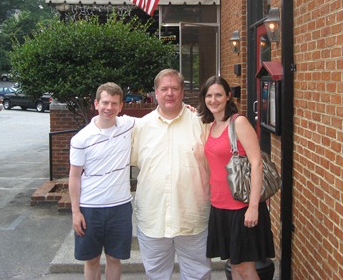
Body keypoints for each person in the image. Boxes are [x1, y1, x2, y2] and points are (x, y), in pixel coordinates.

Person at [131, 69, 212, 280]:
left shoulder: (201, 123)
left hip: (192, 217)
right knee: (156, 275)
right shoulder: (141, 127)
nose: (169, 93)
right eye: (164, 89)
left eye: (175, 88)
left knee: (198, 274)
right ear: (155, 93)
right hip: (153, 217)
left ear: (182, 92)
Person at [197, 76, 275, 279]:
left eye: (218, 95)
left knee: (244, 268)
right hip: (220, 206)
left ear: (228, 96)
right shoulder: (213, 125)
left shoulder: (238, 122)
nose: (213, 100)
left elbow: (257, 163)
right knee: (234, 266)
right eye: (209, 95)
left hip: (242, 207)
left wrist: (254, 207)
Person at [69, 82, 136, 280]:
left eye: (114, 103)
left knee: (115, 259)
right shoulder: (81, 139)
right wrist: (75, 212)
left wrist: (188, 109)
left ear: (121, 106)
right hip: (90, 208)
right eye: (105, 102)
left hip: (120, 207)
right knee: (91, 260)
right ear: (96, 104)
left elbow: (157, 118)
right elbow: (74, 176)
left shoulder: (128, 125)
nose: (109, 108)